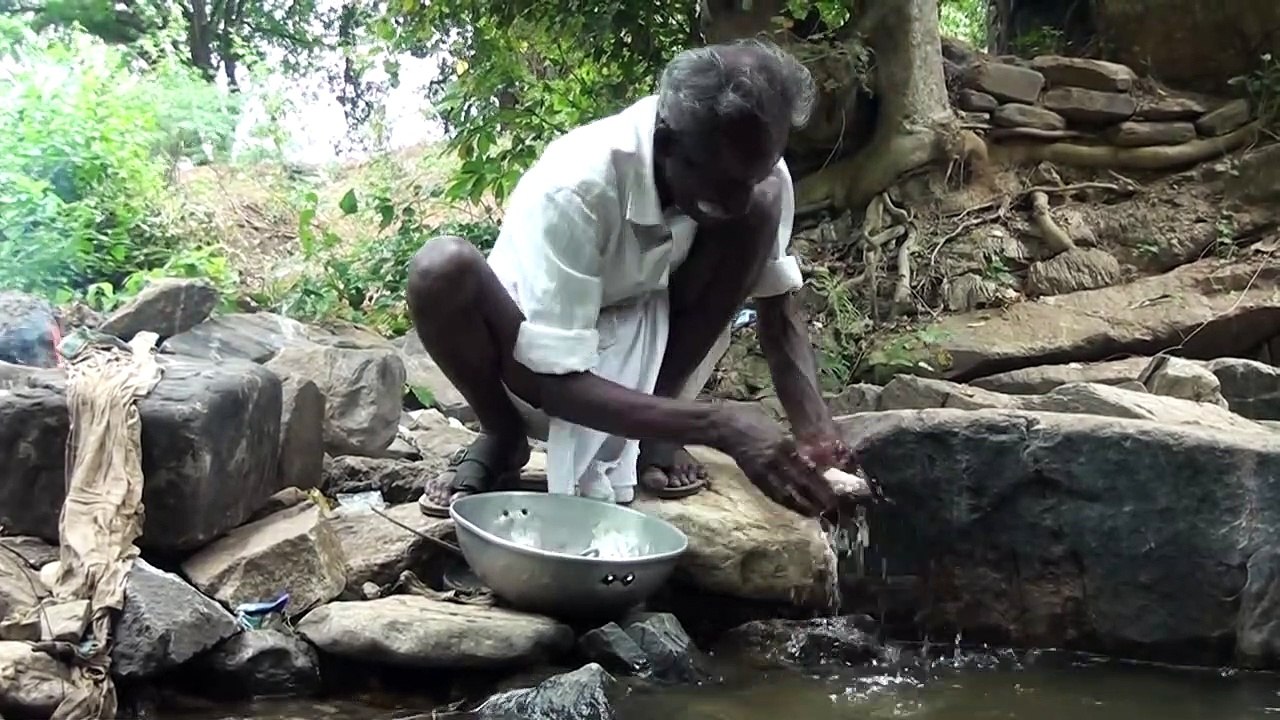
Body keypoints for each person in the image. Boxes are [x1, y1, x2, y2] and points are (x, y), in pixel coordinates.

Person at [411, 38, 854, 519]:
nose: (738, 201)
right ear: (666, 144)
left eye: (755, 174)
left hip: (651, 341)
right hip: (532, 362)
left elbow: (779, 312)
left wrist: (817, 434)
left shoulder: (751, 169)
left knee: (764, 207)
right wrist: (716, 424)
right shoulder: (576, 186)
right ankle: (501, 432)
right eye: (722, 184)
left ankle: (653, 428)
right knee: (440, 269)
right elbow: (556, 384)